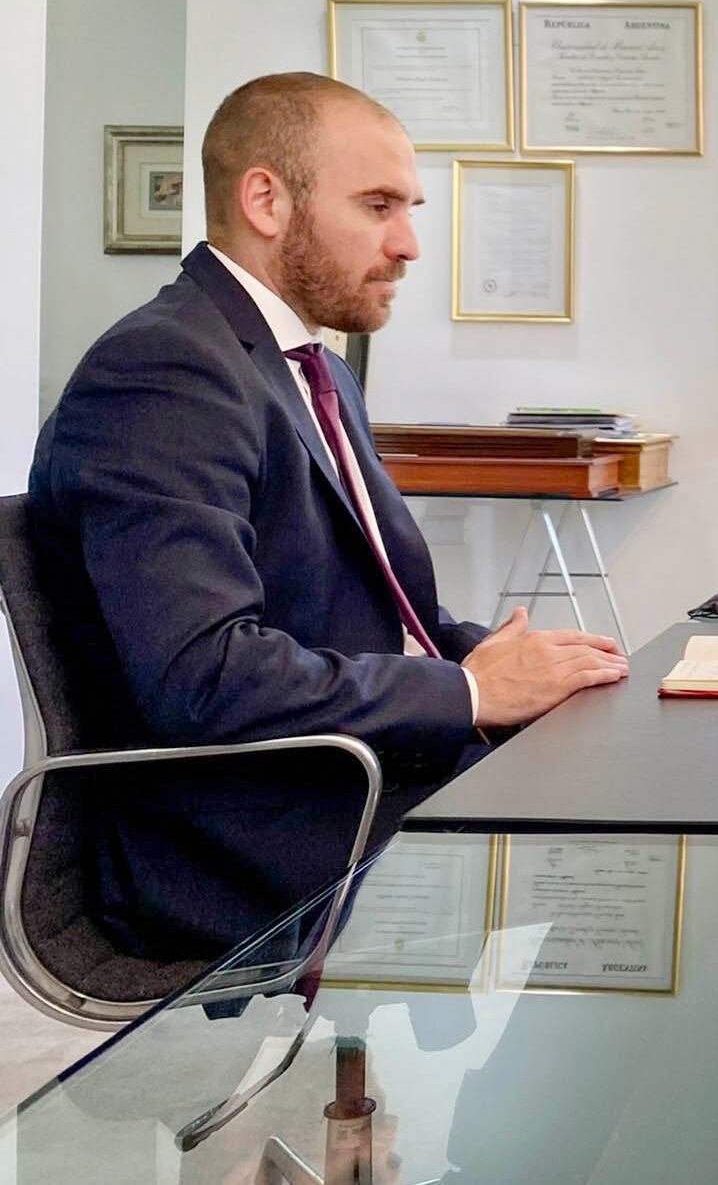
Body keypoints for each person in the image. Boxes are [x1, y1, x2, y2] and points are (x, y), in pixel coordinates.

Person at [27, 72, 630, 957]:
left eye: (409, 206)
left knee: (633, 784)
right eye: (380, 205)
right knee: (623, 868)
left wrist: (516, 665)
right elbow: (204, 676)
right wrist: (469, 691)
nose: (411, 243)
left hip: (348, 776)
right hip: (246, 838)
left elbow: (376, 616)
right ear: (266, 199)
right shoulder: (164, 371)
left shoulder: (311, 365)